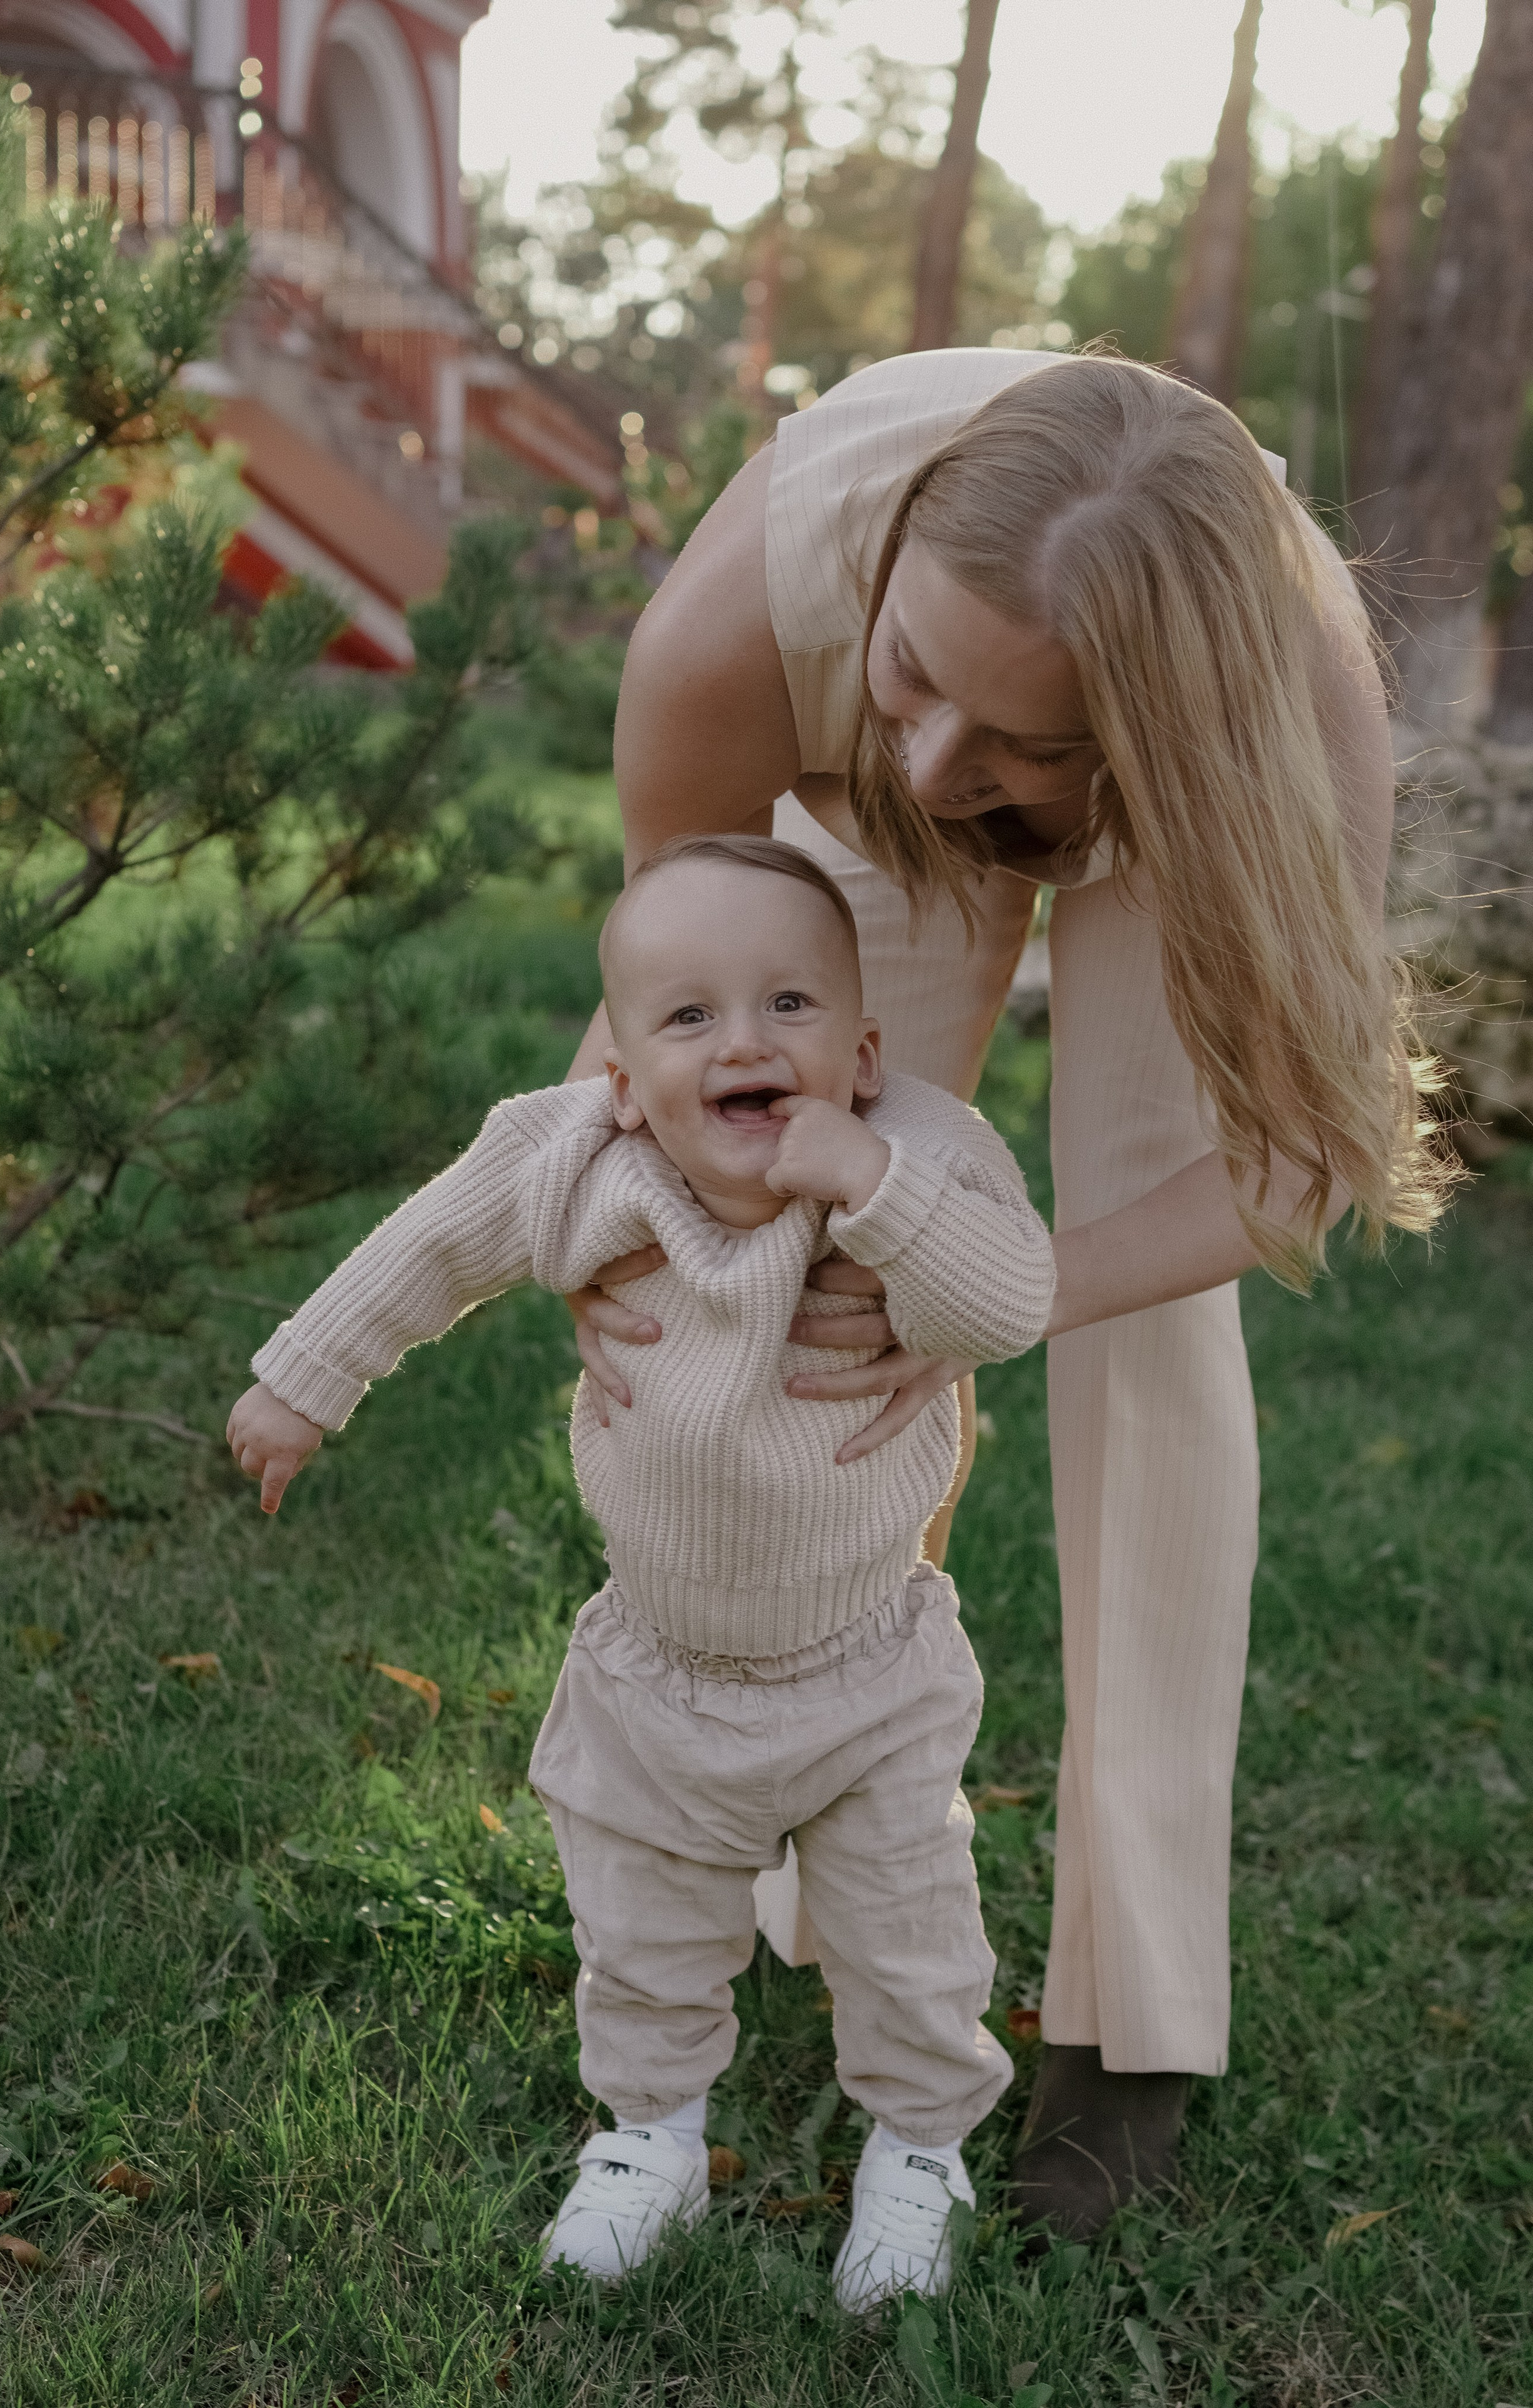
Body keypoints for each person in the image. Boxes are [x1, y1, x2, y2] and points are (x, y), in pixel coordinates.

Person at [561, 351, 1453, 2242]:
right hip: (863, 711)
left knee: (1148, 1313)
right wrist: (635, 1240)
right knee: (810, 1267)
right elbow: (674, 1015)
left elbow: (1294, 1164)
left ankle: (1136, 2014)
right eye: (913, 678)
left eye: (1011, 741)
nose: (929, 767)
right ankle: (815, 1850)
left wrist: (1017, 1280)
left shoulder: (1285, 713)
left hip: (1190, 786)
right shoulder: (741, 635)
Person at [226, 833, 1058, 2311]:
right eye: (688, 1018)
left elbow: (1007, 1304)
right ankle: (648, 2137)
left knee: (907, 1936)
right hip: (656, 1674)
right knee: (644, 1932)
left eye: (789, 1006)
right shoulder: (583, 1164)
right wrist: (309, 1376)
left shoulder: (918, 1153)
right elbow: (436, 1241)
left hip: (866, 1670)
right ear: (622, 1079)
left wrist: (875, 1187)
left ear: (862, 1053)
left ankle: (919, 2147)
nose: (744, 1040)